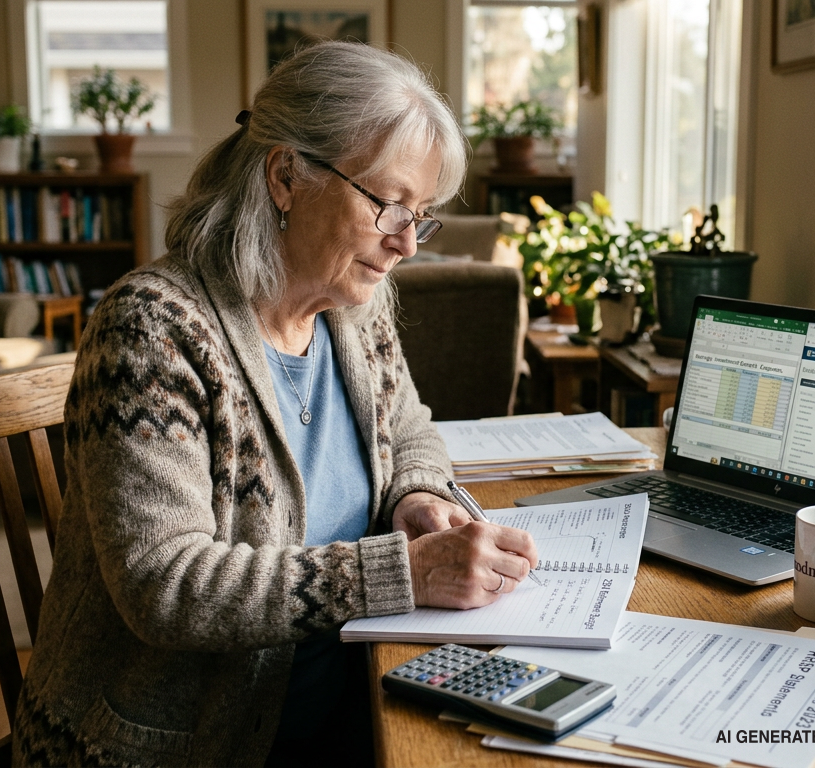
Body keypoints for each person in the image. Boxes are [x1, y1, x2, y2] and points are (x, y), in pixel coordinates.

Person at [13, 41, 537, 767]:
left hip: (345, 703)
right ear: (287, 175)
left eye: (423, 215)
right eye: (389, 205)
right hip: (166, 749)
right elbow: (165, 584)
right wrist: (401, 573)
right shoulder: (152, 330)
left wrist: (416, 494)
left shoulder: (356, 305)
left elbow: (409, 428)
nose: (407, 243)